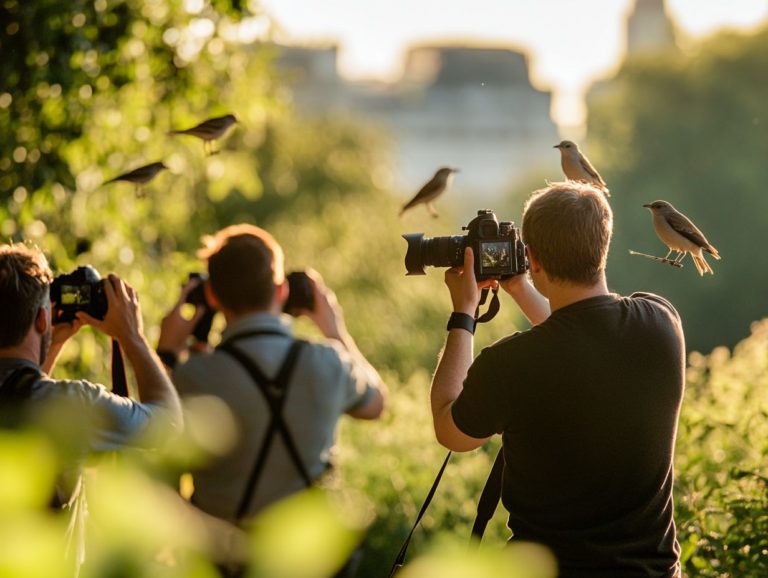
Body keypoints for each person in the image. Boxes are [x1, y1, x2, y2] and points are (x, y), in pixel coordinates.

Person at [430, 183, 685, 578]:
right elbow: (583, 335)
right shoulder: (663, 323)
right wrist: (520, 286)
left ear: (530, 257)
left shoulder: (510, 365)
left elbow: (451, 431)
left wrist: (463, 313)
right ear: (604, 245)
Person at [157, 223, 387, 525]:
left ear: (212, 296)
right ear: (282, 290)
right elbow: (377, 404)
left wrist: (166, 355)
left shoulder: (191, 376)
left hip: (220, 563)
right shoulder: (329, 361)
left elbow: (157, 471)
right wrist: (335, 330)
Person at [0, 242, 184, 570]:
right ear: (42, 319)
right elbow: (167, 426)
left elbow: (16, 394)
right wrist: (132, 337)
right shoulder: (72, 404)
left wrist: (51, 344)